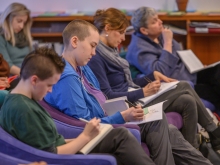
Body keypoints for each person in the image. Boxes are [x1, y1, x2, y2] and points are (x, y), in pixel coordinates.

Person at [44, 19, 212, 165]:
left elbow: (101, 100)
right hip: (104, 127)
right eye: (92, 46)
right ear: (74, 41)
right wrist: (122, 116)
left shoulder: (82, 67)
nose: (94, 53)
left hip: (110, 116)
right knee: (161, 122)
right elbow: (87, 125)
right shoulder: (67, 78)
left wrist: (123, 110)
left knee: (167, 127)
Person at [86, 8, 220, 151]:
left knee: (187, 100)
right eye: (121, 32)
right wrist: (142, 92)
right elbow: (107, 96)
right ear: (108, 28)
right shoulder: (97, 56)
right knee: (183, 86)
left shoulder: (110, 51)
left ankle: (194, 150)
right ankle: (215, 132)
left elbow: (126, 85)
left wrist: (151, 77)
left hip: (133, 98)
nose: (124, 38)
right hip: (127, 107)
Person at [0, 47, 154, 165]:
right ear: (34, 80)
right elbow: (53, 153)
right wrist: (85, 136)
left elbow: (51, 141)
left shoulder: (22, 100)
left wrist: (87, 136)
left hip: (64, 150)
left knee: (118, 136)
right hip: (61, 159)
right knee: (120, 137)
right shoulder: (23, 109)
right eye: (49, 85)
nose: (50, 90)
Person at [126, 6, 220, 112]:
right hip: (180, 83)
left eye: (158, 18)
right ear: (144, 30)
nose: (160, 22)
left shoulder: (158, 35)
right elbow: (161, 73)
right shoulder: (137, 49)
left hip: (191, 73)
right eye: (154, 21)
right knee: (214, 92)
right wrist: (168, 43)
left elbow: (178, 52)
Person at [0, 2, 32, 75]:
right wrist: (28, 75)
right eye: (19, 21)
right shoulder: (1, 38)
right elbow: (8, 67)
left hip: (29, 74)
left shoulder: (24, 35)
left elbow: (34, 58)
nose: (21, 26)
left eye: (24, 23)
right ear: (8, 18)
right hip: (16, 76)